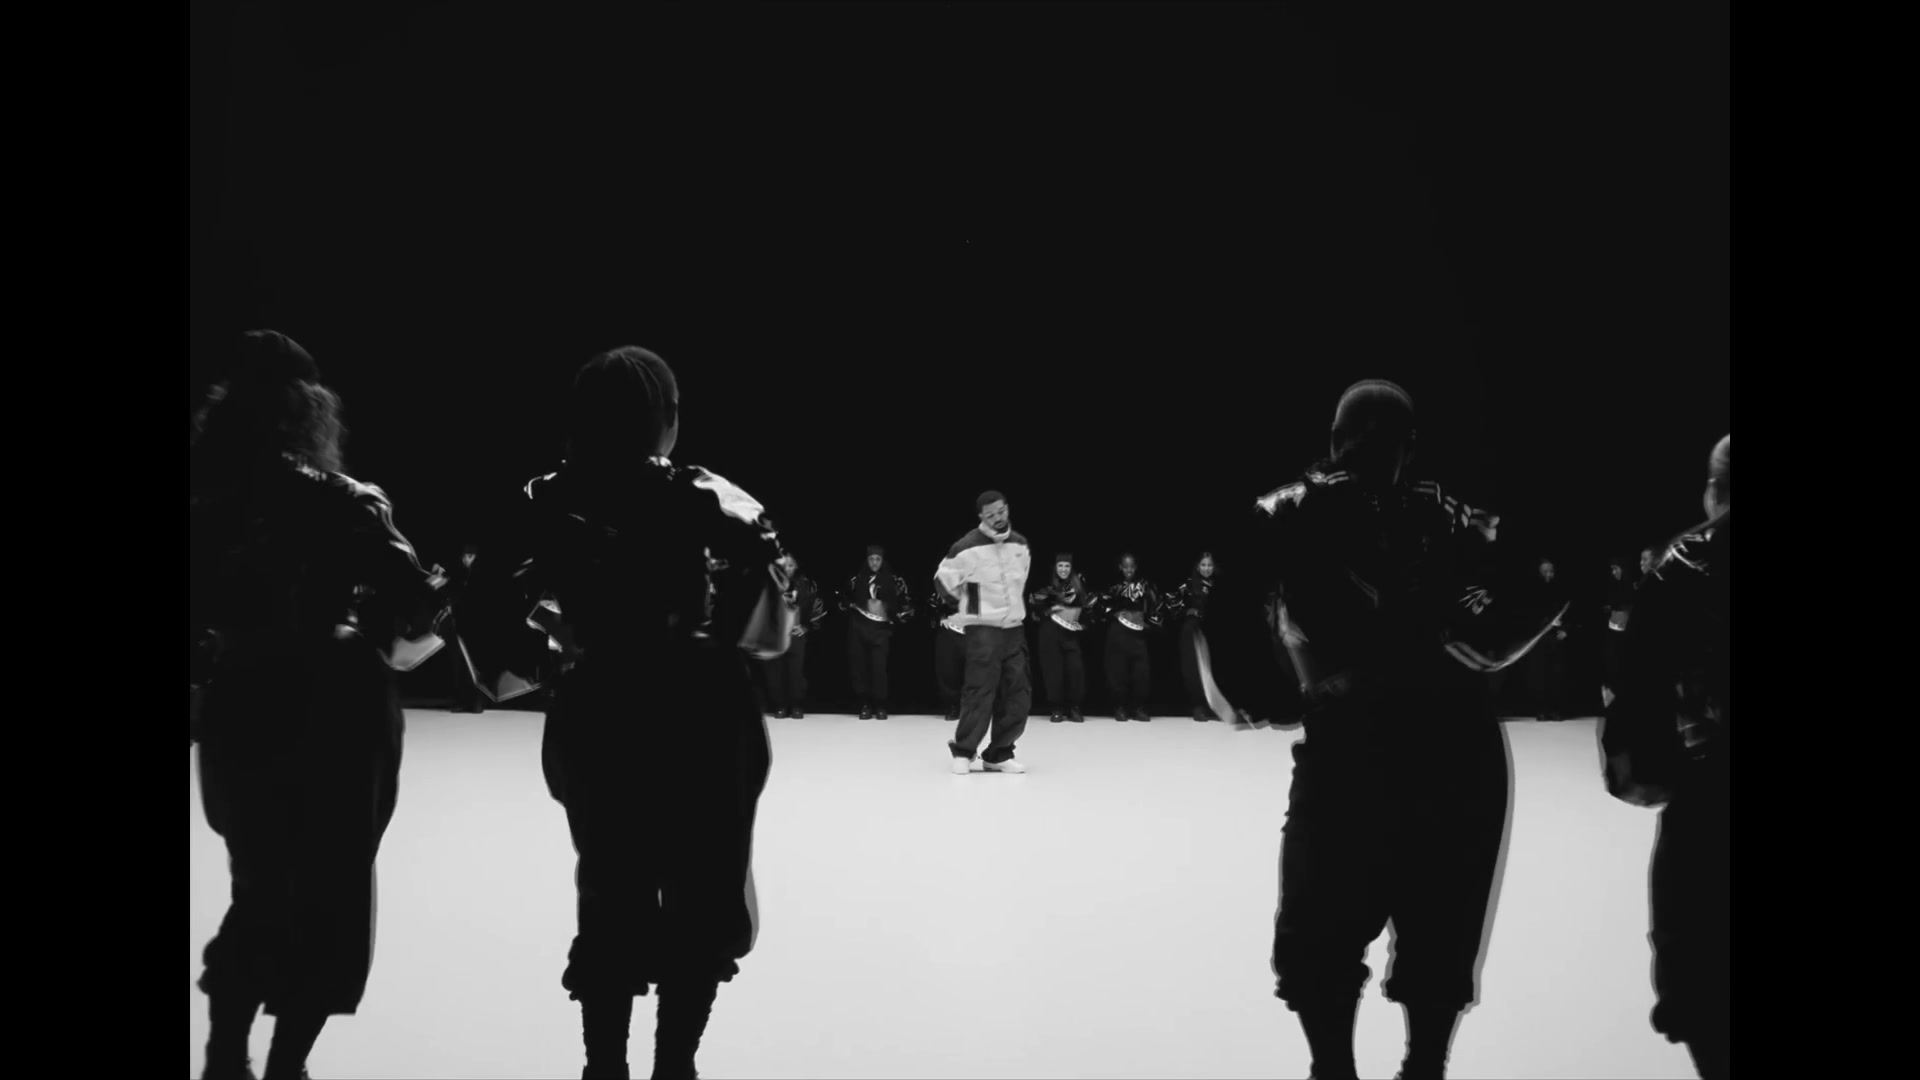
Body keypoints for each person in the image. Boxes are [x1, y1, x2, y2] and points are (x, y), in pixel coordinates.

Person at [1195, 379, 1555, 1080]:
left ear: (1334, 440)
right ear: (1410, 447)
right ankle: (1406, 1066)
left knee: (1343, 924)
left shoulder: (1294, 508)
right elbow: (1545, 576)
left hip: (1373, 744)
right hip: (1442, 745)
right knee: (1426, 923)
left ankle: (1359, 1067)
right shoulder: (1450, 514)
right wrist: (1470, 649)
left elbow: (1224, 607)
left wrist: (1273, 695)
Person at [460, 346, 794, 1080]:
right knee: (704, 895)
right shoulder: (708, 494)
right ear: (665, 418)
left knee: (610, 887)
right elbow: (769, 625)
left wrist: (556, 655)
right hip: (704, 711)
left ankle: (603, 1067)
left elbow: (483, 620)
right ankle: (676, 1065)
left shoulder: (543, 497)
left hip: (599, 706)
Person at [191, 330, 451, 1080]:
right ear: (310, 407)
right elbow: (418, 609)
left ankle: (223, 1056)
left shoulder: (206, 506)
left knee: (256, 883)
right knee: (332, 894)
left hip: (239, 700)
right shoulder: (346, 502)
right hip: (335, 705)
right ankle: (286, 1067)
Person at [1599, 435, 1729, 1080]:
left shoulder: (1686, 566)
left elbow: (1638, 686)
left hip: (1712, 797)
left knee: (1700, 963)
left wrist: (1642, 771)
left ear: (1714, 491)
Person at [934, 491, 1033, 774]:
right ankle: (964, 751)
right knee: (979, 692)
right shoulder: (966, 547)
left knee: (1018, 695)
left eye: (1001, 512)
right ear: (981, 517)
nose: (997, 518)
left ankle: (999, 754)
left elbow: (1021, 579)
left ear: (1007, 509)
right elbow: (943, 581)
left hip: (1014, 629)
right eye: (990, 515)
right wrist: (969, 604)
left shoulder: (1020, 544)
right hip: (983, 631)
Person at [841, 545, 915, 719]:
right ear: (866, 560)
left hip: (881, 629)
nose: (874, 563)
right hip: (859, 626)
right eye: (871, 559)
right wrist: (850, 606)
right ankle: (865, 704)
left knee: (879, 668)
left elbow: (907, 604)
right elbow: (842, 600)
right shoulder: (856, 580)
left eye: (878, 559)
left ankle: (880, 704)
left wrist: (897, 617)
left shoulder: (895, 581)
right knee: (860, 666)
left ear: (883, 561)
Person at [1095, 553, 1162, 721]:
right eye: (1125, 567)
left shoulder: (1145, 586)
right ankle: (1120, 707)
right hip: (1118, 632)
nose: (1129, 570)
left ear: (1136, 567)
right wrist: (1114, 613)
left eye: (1131, 567)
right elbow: (1100, 606)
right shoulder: (1113, 586)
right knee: (1118, 671)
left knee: (1141, 672)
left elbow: (1156, 607)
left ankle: (1139, 708)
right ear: (1120, 567)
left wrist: (1149, 624)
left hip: (1138, 634)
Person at [1026, 552, 1092, 722]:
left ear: (1071, 568)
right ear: (1055, 568)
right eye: (1060, 566)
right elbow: (1034, 607)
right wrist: (1049, 610)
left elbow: (1088, 608)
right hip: (1050, 631)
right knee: (1053, 670)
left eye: (1067, 566)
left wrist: (1083, 624)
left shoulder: (1079, 586)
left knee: (1075, 670)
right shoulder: (1048, 588)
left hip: (1070, 633)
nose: (1063, 569)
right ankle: (1057, 708)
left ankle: (1075, 708)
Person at [762, 553, 826, 718]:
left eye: (791, 565)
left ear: (796, 566)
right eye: (785, 565)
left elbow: (817, 607)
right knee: (775, 672)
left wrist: (806, 627)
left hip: (795, 635)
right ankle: (780, 705)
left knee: (795, 672)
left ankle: (796, 705)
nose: (787, 568)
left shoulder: (807, 585)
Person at [1168, 551, 1221, 721]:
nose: (1207, 568)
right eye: (1203, 565)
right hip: (1193, 629)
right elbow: (1172, 604)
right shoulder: (1189, 585)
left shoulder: (1219, 585)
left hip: (1214, 630)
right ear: (1198, 566)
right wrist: (1188, 611)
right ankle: (1198, 706)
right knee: (1194, 668)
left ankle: (1215, 706)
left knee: (1215, 666)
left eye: (1210, 565)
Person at [929, 585, 968, 721]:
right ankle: (953, 706)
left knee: (976, 671)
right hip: (951, 629)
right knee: (948, 670)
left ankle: (972, 707)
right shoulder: (947, 585)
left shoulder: (982, 583)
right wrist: (940, 617)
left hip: (975, 632)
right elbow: (933, 603)